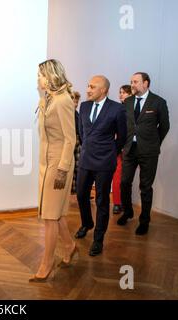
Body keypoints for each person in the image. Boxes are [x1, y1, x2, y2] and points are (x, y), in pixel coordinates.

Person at [30, 59, 78, 282]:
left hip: (58, 164)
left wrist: (62, 169)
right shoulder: (47, 100)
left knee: (49, 216)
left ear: (49, 76)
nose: (37, 79)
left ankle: (46, 263)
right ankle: (69, 245)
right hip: (45, 163)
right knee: (54, 212)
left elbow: (71, 139)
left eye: (40, 75)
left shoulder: (63, 101)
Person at [75, 76, 126, 256]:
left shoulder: (117, 109)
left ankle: (98, 238)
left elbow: (122, 136)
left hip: (105, 162)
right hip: (86, 159)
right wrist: (88, 145)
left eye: (92, 87)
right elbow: (82, 131)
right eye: (88, 85)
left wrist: (111, 150)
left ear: (103, 90)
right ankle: (87, 223)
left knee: (102, 200)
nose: (88, 90)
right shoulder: (85, 106)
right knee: (81, 194)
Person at [118, 72, 170, 235]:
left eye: (135, 82)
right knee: (124, 183)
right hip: (129, 150)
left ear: (145, 83)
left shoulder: (158, 102)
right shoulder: (127, 101)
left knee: (145, 187)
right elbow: (122, 125)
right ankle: (127, 212)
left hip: (149, 152)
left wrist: (153, 143)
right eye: (131, 82)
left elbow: (164, 127)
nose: (132, 85)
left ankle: (144, 221)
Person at [112, 85, 132, 214]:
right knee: (117, 175)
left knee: (127, 178)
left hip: (130, 146)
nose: (121, 95)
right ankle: (117, 203)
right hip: (119, 146)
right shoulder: (118, 109)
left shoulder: (134, 109)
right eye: (120, 92)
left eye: (124, 93)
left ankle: (125, 203)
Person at [71, 91, 81, 198]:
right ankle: (73, 190)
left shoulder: (77, 114)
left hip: (78, 141)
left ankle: (78, 190)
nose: (76, 103)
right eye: (74, 100)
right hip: (72, 141)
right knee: (72, 167)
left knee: (78, 166)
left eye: (77, 101)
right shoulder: (68, 114)